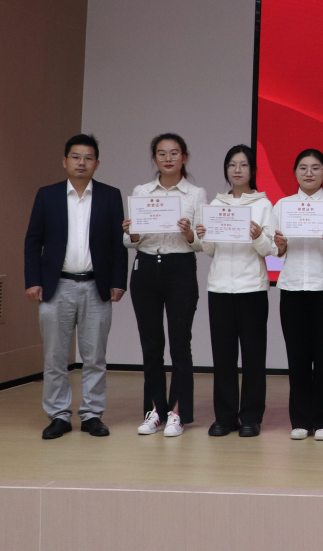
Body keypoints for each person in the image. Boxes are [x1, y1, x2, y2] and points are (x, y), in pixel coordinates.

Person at [24, 134, 127, 439]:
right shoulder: (48, 195)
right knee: (55, 357)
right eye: (76, 157)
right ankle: (58, 415)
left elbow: (118, 245)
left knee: (94, 357)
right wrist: (33, 280)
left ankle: (92, 414)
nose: (82, 163)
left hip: (97, 286)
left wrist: (118, 282)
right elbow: (33, 241)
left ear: (97, 163)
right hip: (57, 286)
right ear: (64, 161)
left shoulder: (110, 196)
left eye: (88, 158)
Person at [124, 133, 207, 437]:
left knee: (180, 344)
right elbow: (130, 240)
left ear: (184, 157)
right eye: (162, 153)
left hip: (180, 268)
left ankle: (177, 412)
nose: (168, 158)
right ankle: (155, 410)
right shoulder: (142, 191)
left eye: (174, 153)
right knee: (151, 345)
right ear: (154, 158)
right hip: (146, 268)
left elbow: (203, 243)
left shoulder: (195, 194)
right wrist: (132, 233)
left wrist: (188, 233)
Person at [193, 145, 275, 437]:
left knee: (253, 356)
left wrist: (258, 235)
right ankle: (225, 417)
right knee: (223, 356)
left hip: (252, 288)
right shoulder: (216, 204)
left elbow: (270, 249)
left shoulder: (263, 205)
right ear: (226, 170)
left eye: (243, 165)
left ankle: (251, 417)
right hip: (219, 288)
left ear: (253, 170)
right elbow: (211, 250)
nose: (237, 170)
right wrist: (204, 237)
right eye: (232, 165)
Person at [273, 149, 323, 441]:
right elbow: (276, 249)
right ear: (295, 173)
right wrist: (279, 246)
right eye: (303, 167)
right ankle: (301, 420)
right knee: (298, 357)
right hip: (292, 287)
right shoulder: (283, 205)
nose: (309, 173)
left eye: (316, 168)